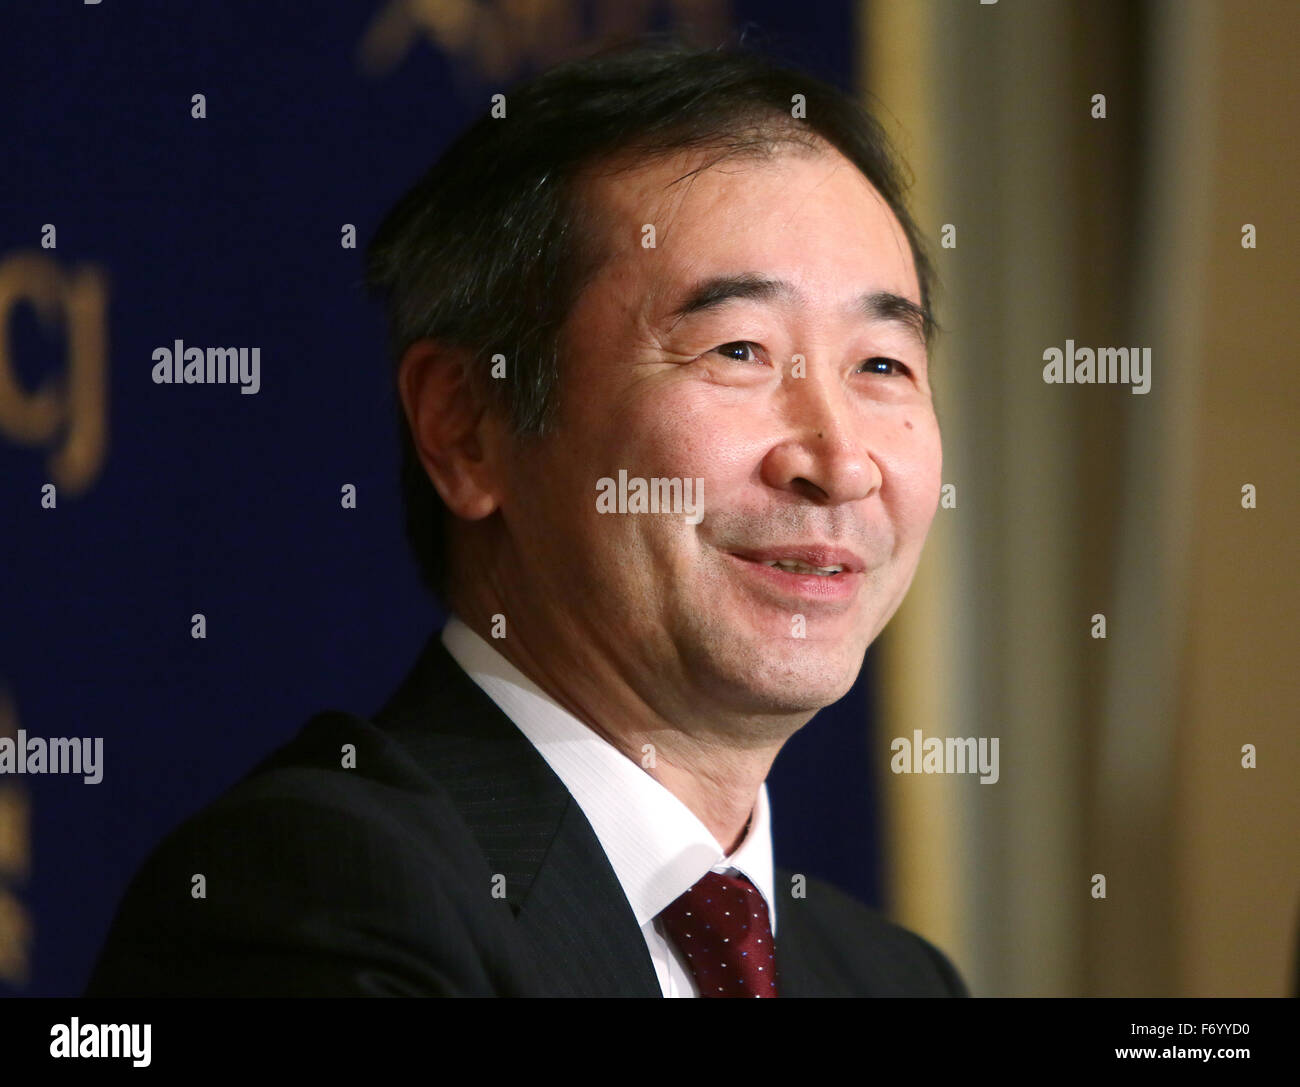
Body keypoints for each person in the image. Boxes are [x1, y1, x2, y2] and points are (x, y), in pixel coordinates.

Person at [86, 38, 966, 997]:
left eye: (882, 364)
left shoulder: (895, 978)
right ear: (469, 427)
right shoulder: (313, 897)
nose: (838, 462)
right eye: (738, 349)